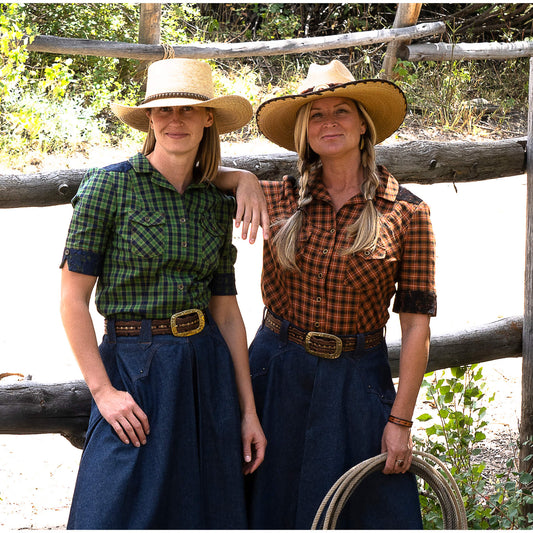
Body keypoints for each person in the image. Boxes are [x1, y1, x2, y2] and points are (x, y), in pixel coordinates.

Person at [218, 59, 437, 529]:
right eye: (316, 114)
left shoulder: (407, 212)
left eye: (341, 111)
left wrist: (400, 422)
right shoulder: (276, 197)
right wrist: (241, 178)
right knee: (267, 504)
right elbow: (193, 173)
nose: (329, 122)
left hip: (358, 380)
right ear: (304, 130)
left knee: (364, 509)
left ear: (363, 125)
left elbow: (417, 326)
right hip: (276, 372)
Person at [59, 57, 266, 530]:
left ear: (208, 118)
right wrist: (103, 392)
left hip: (205, 368)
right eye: (164, 111)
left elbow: (228, 314)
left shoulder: (214, 203)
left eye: (189, 110)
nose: (176, 120)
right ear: (149, 119)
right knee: (113, 509)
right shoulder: (108, 188)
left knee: (204, 509)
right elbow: (72, 301)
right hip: (133, 368)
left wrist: (248, 411)